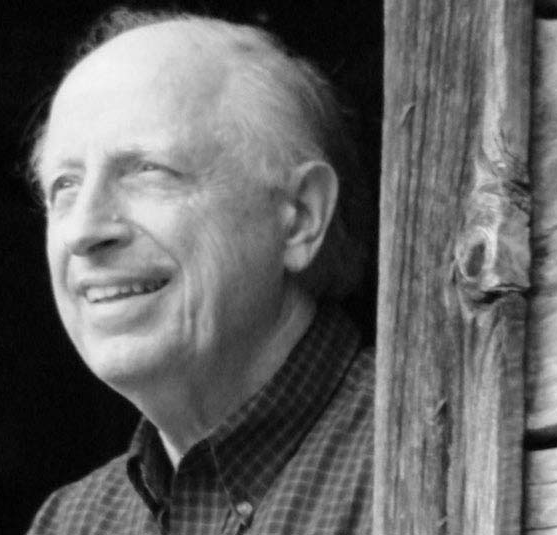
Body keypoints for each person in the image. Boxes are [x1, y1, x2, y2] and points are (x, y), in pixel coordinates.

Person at [26, 9, 372, 535]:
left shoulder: (433, 450)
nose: (83, 231)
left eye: (147, 170)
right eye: (64, 186)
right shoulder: (72, 522)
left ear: (300, 216)